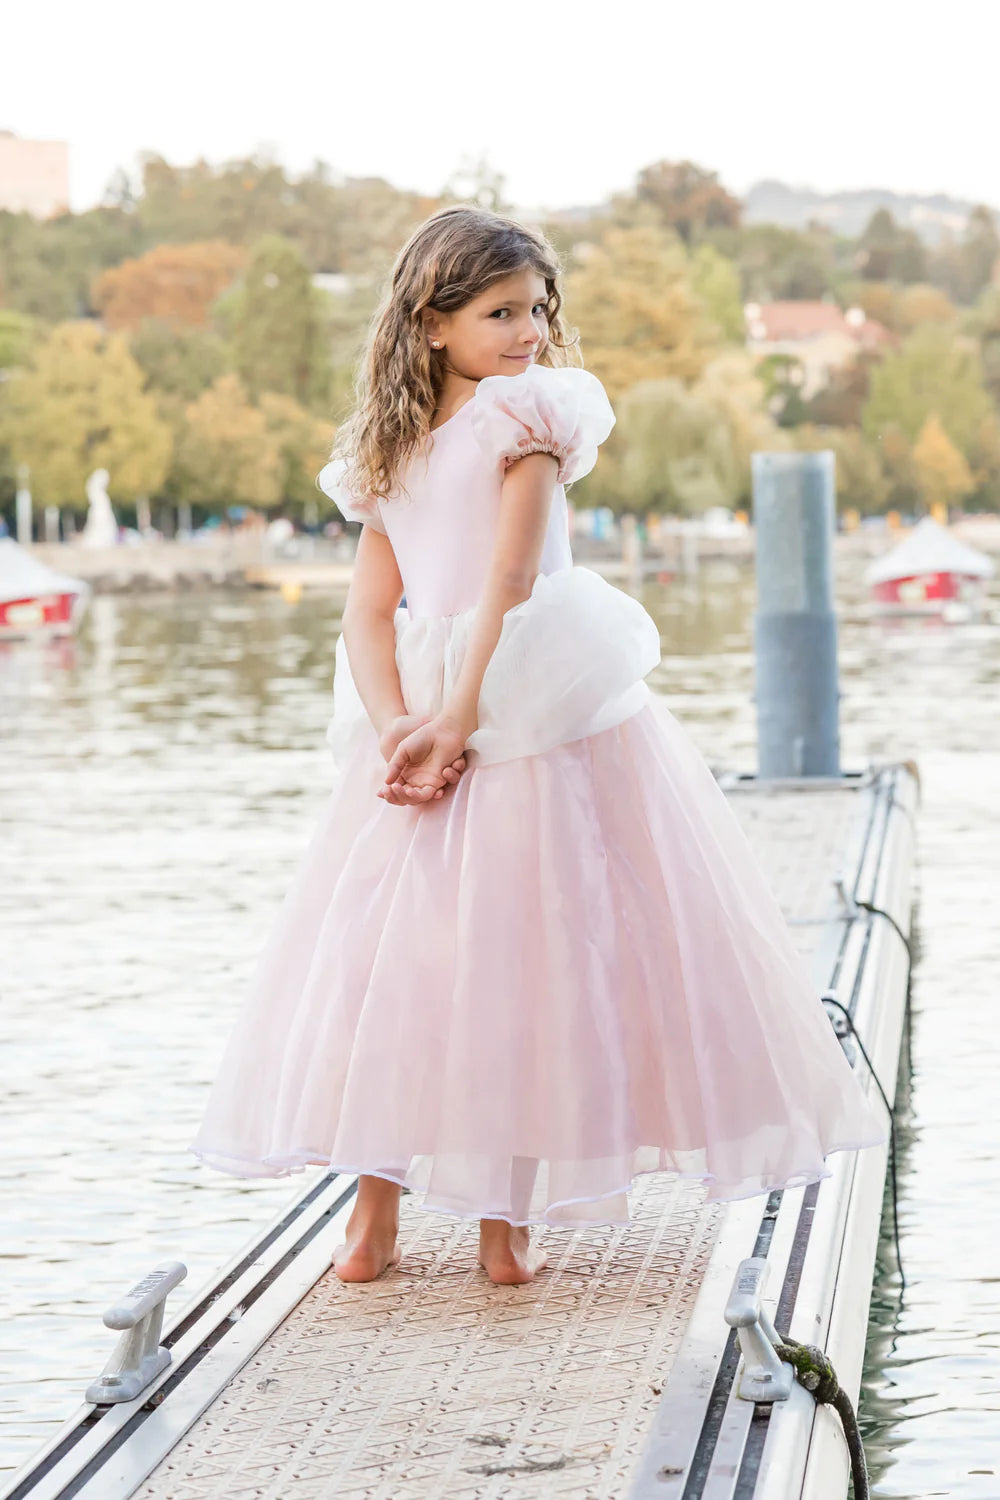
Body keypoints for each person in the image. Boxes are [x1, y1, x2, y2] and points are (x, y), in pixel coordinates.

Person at [189, 205, 887, 1287]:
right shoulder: (494, 426)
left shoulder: (437, 432)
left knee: (423, 964)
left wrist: (417, 724)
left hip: (468, 704)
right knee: (512, 964)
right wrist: (426, 723)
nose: (530, 332)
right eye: (502, 313)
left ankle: (399, 1226)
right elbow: (473, 592)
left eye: (537, 309)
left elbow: (413, 606)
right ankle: (474, 1228)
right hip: (508, 708)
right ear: (431, 323)